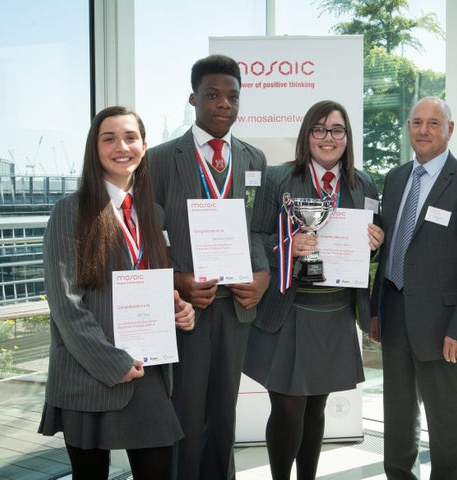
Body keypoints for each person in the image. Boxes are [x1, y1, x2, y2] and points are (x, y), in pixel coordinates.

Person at [39, 106, 196, 480]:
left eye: (130, 137)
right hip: (88, 371)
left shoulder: (152, 212)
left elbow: (151, 280)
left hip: (145, 368)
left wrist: (178, 306)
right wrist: (112, 361)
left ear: (143, 146)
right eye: (108, 138)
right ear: (94, 149)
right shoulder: (70, 211)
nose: (121, 146)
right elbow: (65, 303)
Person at [243, 100, 384, 480]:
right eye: (318, 129)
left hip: (335, 310)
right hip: (290, 308)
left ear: (347, 138)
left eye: (337, 129)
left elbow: (370, 247)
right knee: (288, 406)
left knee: (317, 406)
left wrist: (377, 241)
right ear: (307, 135)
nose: (328, 137)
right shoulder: (278, 178)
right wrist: (286, 247)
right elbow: (256, 235)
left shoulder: (365, 182)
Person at [147, 54, 270, 480]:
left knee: (224, 412)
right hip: (187, 309)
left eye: (232, 97)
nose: (224, 105)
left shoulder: (254, 159)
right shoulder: (160, 159)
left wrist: (263, 275)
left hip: (235, 308)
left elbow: (257, 229)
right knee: (186, 410)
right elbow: (148, 236)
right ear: (193, 98)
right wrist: (176, 281)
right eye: (213, 95)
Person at [369, 96, 457, 479]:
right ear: (408, 127)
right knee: (398, 416)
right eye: (416, 122)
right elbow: (389, 248)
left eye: (433, 123)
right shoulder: (394, 178)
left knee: (447, 423)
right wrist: (375, 311)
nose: (423, 130)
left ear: (450, 129)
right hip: (394, 315)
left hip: (445, 326)